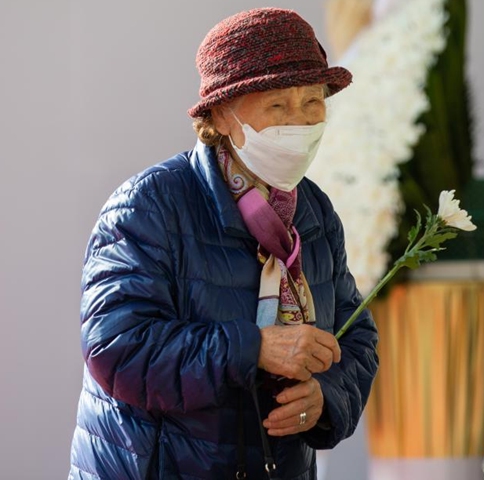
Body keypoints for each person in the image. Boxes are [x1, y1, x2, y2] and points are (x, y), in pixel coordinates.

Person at [68, 8, 379, 480]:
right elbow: (117, 347)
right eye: (277, 105)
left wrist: (326, 396)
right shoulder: (150, 205)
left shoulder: (313, 211)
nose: (299, 122)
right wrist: (253, 348)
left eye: (313, 101)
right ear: (221, 114)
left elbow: (356, 335)